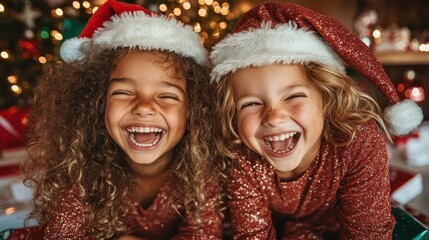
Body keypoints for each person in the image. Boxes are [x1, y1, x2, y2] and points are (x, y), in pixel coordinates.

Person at [210, 2, 423, 239]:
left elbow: (368, 232)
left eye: (293, 96)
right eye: (251, 103)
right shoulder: (240, 153)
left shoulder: (358, 140)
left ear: (327, 98)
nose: (274, 117)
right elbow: (252, 234)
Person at [22, 0, 225, 239]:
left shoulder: (200, 167)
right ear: (96, 103)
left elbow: (202, 234)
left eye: (168, 95)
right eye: (123, 92)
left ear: (194, 109)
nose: (144, 107)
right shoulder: (82, 169)